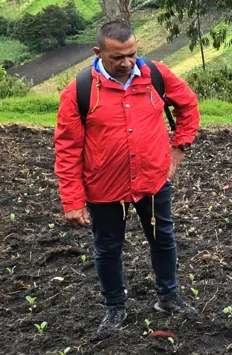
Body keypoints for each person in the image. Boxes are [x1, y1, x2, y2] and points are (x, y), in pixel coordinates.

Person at [54, 20, 200, 332]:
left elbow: (188, 105)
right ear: (98, 52)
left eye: (132, 54)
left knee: (163, 239)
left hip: (152, 181)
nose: (127, 63)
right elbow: (67, 148)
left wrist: (179, 149)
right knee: (107, 248)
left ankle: (169, 297)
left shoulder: (156, 75)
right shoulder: (79, 91)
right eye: (117, 57)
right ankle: (115, 307)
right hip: (105, 188)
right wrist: (72, 200)